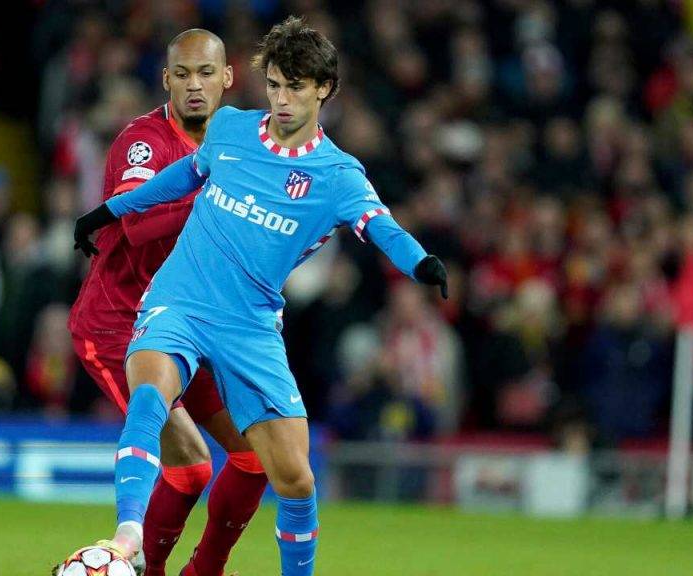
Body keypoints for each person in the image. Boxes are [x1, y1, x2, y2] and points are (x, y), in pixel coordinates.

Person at [71, 16, 448, 576]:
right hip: (176, 301)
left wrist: (420, 261)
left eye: (295, 86)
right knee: (152, 396)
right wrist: (110, 211)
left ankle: (208, 567)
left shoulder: (338, 175)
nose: (282, 98)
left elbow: (380, 225)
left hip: (249, 326)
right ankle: (128, 542)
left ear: (324, 89)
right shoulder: (230, 130)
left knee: (293, 478)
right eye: (273, 84)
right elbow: (184, 178)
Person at [65, 29, 268, 576]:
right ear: (166, 81)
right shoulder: (143, 144)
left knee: (258, 456)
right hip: (118, 326)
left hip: (190, 322)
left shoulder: (239, 142)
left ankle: (203, 568)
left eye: (206, 73)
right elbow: (135, 225)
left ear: (228, 78)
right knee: (194, 467)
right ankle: (144, 568)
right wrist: (218, 198)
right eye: (182, 75)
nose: (195, 86)